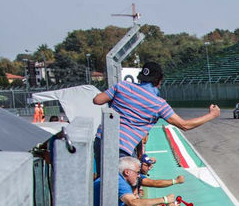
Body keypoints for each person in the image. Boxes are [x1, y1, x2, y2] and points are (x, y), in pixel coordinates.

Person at [92, 62, 220, 160]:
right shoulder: (159, 104)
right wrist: (211, 115)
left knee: (102, 181)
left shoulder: (122, 86)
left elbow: (97, 100)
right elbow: (184, 125)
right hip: (123, 148)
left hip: (102, 138)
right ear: (159, 81)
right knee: (119, 189)